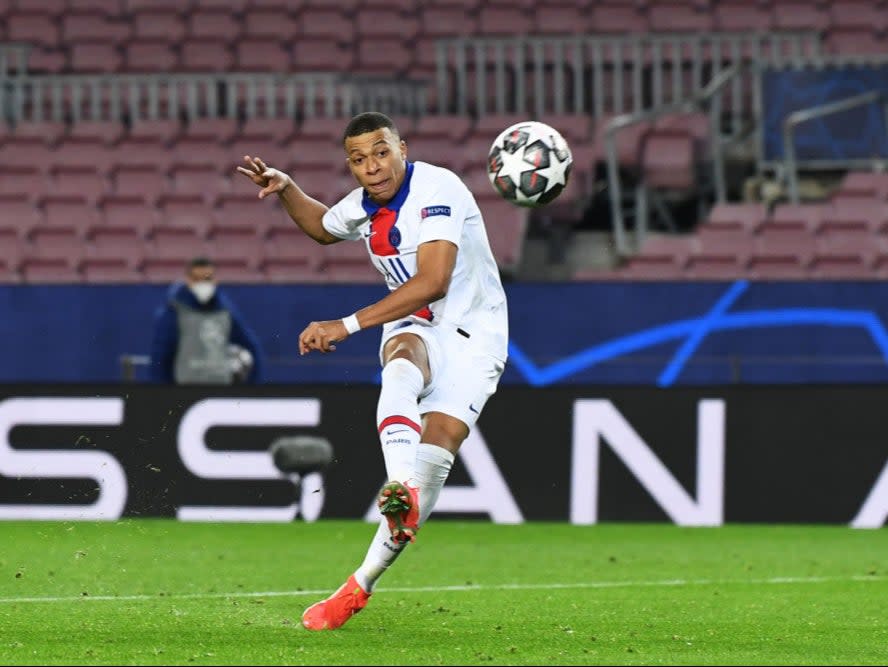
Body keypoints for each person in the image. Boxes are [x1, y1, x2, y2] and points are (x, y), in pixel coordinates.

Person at [236, 111, 508, 631]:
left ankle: (359, 583)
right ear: (351, 166)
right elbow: (321, 227)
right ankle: (399, 485)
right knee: (401, 358)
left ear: (402, 148)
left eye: (381, 152)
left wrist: (345, 324)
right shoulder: (364, 204)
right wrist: (289, 187)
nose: (373, 167)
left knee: (437, 452)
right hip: (417, 323)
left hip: (478, 335)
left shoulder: (437, 188)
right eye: (359, 159)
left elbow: (433, 279)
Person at [148, 256, 265, 385]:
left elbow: (251, 346)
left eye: (207, 278)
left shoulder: (225, 312)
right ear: (188, 280)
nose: (202, 283)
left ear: (215, 280)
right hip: (186, 388)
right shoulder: (175, 311)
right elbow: (160, 356)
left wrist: (253, 385)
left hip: (220, 388)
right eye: (197, 279)